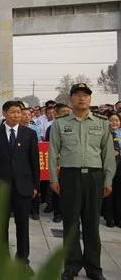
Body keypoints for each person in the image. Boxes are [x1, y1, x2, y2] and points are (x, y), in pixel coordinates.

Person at [49, 83, 116, 280]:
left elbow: (108, 155)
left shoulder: (102, 123)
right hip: (70, 176)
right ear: (71, 99)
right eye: (77, 95)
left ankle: (94, 268)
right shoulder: (60, 123)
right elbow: (53, 153)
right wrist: (54, 178)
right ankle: (71, 266)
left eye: (85, 95)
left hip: (94, 178)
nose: (81, 98)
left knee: (92, 224)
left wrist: (108, 179)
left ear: (90, 99)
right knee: (70, 224)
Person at [0, 100, 39, 270]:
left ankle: (23, 260)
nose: (16, 115)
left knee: (22, 225)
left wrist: (35, 185)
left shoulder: (29, 134)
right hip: (1, 186)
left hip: (23, 186)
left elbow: (34, 162)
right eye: (13, 112)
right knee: (2, 226)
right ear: (4, 113)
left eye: (19, 112)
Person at [102, 112, 121, 227]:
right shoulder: (104, 134)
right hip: (107, 166)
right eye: (112, 120)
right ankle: (109, 218)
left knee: (119, 193)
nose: (114, 122)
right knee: (108, 190)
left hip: (120, 167)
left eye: (117, 120)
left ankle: (118, 218)